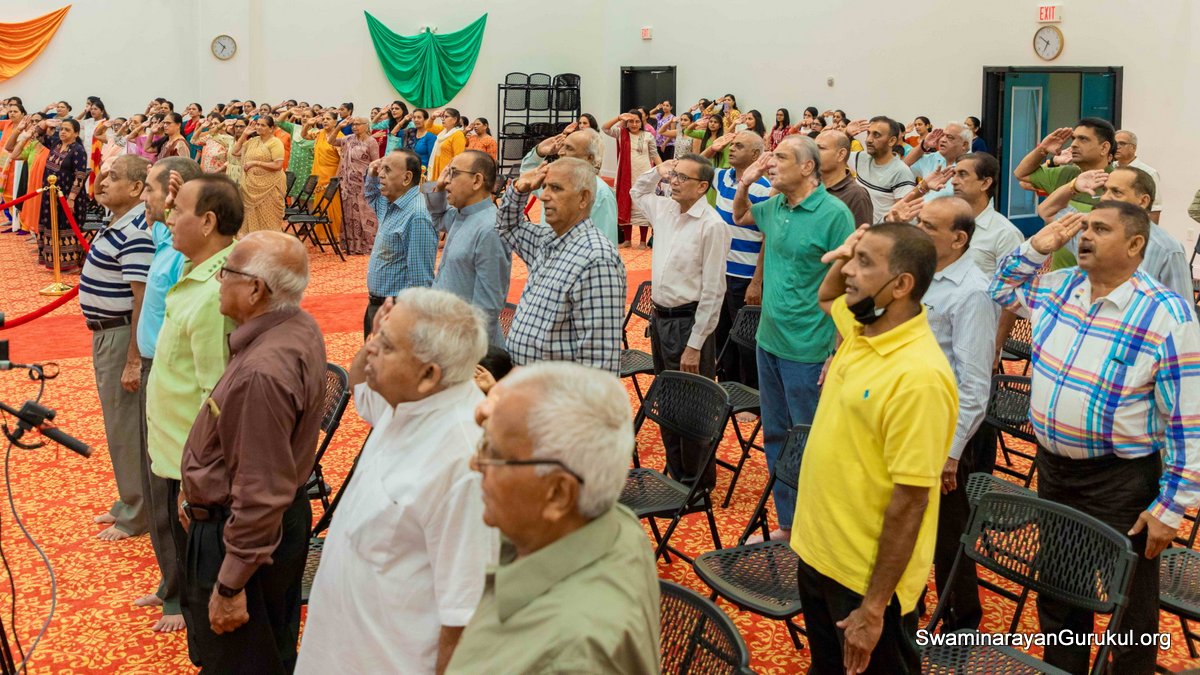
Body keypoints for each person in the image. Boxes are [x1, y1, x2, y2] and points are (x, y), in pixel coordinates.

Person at [990, 203, 1200, 673]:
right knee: (1061, 592)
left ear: (1135, 244)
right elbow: (999, 287)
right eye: (1083, 227)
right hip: (1055, 470)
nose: (1084, 236)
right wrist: (1035, 246)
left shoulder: (1167, 315)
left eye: (1100, 229)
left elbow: (1188, 420)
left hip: (1120, 481)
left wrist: (1171, 508)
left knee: (1130, 608)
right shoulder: (1059, 287)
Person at [298, 289, 498, 674]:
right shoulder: (406, 399)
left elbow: (466, 620)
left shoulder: (466, 463)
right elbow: (359, 386)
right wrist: (379, 335)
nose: (369, 348)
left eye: (386, 345)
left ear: (428, 374)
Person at [796, 221, 956, 674]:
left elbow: (911, 502)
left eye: (864, 263)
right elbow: (826, 296)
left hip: (864, 579)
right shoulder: (864, 328)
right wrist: (848, 252)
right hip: (820, 552)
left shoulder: (919, 377)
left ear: (901, 285)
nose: (849, 270)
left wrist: (873, 608)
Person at [446, 362, 660, 673]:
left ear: (558, 494)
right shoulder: (610, 523)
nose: (475, 464)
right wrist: (507, 410)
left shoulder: (568, 657)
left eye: (493, 454)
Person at [177, 231, 326, 673]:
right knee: (270, 653)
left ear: (256, 289)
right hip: (266, 526)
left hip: (244, 537)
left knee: (243, 662)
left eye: (226, 273)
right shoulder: (297, 325)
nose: (219, 281)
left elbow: (260, 489)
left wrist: (230, 584)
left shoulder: (262, 371)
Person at [733, 135, 856, 542]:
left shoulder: (834, 214)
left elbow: (848, 286)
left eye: (781, 157)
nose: (771, 163)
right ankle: (789, 524)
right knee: (775, 436)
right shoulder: (776, 206)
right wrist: (746, 182)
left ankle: (816, 528)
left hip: (809, 348)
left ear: (807, 167)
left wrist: (837, 350)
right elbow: (740, 215)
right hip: (770, 340)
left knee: (809, 441)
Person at [914, 197, 1000, 633]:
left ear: (958, 239)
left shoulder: (973, 291)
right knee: (908, 520)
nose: (918, 229)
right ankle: (911, 602)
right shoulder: (921, 273)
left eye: (929, 225)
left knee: (949, 534)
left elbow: (974, 383)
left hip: (950, 428)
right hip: (914, 418)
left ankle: (962, 622)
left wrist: (952, 451)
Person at [136, 156, 205, 633]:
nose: (145, 197)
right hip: (152, 370)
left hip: (174, 375)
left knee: (169, 490)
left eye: (151, 189)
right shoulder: (163, 238)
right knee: (155, 484)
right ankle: (169, 582)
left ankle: (181, 597)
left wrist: (181, 198)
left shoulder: (186, 251)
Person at [631, 155, 729, 488]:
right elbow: (636, 192)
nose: (673, 181)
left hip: (689, 324)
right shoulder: (665, 210)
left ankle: (696, 483)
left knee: (692, 406)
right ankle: (677, 475)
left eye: (682, 178)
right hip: (661, 320)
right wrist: (656, 170)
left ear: (702, 187)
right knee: (669, 400)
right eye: (673, 175)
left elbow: (714, 291)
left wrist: (695, 345)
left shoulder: (711, 225)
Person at [79, 154, 154, 544]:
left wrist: (132, 359)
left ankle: (138, 512)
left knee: (127, 427)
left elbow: (141, 299)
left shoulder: (137, 230)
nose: (103, 182)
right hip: (107, 332)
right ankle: (129, 500)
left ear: (137, 188)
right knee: (117, 423)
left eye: (113, 177)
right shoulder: (119, 220)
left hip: (122, 334)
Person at [497, 158, 626, 374]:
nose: (544, 196)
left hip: (556, 392)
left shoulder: (596, 259)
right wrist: (519, 189)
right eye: (545, 186)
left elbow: (600, 362)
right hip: (528, 385)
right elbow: (506, 227)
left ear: (583, 198)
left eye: (556, 188)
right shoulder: (548, 240)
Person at [1036, 166, 1193, 309]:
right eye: (1104, 190)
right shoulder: (1087, 230)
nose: (1105, 198)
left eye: (1116, 192)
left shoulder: (1167, 249)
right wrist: (1073, 186)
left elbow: (1182, 311)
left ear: (1143, 201)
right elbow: (1047, 210)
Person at [427, 150, 513, 346]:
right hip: (445, 334)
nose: (447, 180)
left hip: (466, 346)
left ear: (477, 181)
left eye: (454, 173)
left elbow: (487, 308)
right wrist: (438, 188)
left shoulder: (490, 228)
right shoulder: (461, 214)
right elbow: (437, 218)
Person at [711, 131, 771, 387]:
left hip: (745, 275)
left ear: (756, 155)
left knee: (746, 340)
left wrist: (756, 282)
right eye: (732, 145)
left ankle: (750, 393)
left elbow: (768, 238)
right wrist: (712, 149)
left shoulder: (764, 188)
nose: (731, 149)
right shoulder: (723, 177)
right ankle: (727, 386)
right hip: (720, 272)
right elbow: (691, 169)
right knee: (721, 334)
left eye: (739, 146)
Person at [1013, 117, 1116, 268]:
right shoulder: (1066, 174)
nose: (1073, 144)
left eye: (1083, 139)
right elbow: (1020, 174)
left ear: (1104, 148)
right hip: (1060, 278)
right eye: (1073, 139)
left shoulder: (1119, 183)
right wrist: (1043, 149)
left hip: (1098, 277)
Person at [362, 149, 437, 338]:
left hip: (397, 311)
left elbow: (420, 281)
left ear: (406, 178)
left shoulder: (417, 215)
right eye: (381, 168)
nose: (380, 174)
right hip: (379, 305)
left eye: (387, 170)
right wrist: (371, 174)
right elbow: (371, 196)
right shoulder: (390, 203)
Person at [519, 125, 618, 245]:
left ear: (589, 157)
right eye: (562, 146)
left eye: (569, 148)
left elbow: (606, 243)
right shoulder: (553, 180)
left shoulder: (601, 193)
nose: (560, 152)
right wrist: (539, 152)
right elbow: (528, 177)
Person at [36, 118, 89, 270]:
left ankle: (70, 265)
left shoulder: (78, 150)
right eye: (61, 129)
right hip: (50, 195)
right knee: (50, 223)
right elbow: (38, 135)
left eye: (67, 130)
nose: (63, 132)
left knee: (65, 225)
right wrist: (45, 124)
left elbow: (80, 176)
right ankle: (53, 261)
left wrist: (71, 199)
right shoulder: (56, 144)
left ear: (76, 133)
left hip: (67, 196)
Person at [845, 116, 917, 222]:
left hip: (880, 230)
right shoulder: (862, 158)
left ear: (892, 141)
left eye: (876, 135)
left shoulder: (901, 172)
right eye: (868, 133)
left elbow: (901, 217)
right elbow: (834, 155)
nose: (868, 140)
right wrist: (846, 134)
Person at [605, 110, 660, 248]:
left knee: (642, 206)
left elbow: (654, 155)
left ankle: (642, 241)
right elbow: (605, 128)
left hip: (644, 176)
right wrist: (618, 118)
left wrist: (662, 171)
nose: (634, 124)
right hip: (625, 176)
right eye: (631, 121)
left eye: (637, 121)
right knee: (626, 205)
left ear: (642, 122)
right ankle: (627, 240)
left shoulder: (648, 136)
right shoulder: (621, 133)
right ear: (626, 122)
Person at [332, 117, 380, 254]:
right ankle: (352, 245)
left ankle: (367, 245)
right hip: (348, 185)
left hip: (364, 183)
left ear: (366, 126)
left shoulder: (371, 141)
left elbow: (376, 163)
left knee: (365, 214)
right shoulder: (348, 139)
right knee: (349, 214)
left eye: (358, 124)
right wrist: (338, 127)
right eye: (353, 124)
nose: (354, 127)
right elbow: (331, 141)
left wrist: (372, 182)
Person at [232, 116, 286, 235]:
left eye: (263, 125)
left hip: (270, 188)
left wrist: (255, 163)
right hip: (251, 188)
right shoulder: (253, 141)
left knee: (269, 222)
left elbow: (278, 165)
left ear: (271, 128)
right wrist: (244, 135)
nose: (259, 127)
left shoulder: (275, 142)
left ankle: (269, 243)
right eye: (257, 124)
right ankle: (252, 241)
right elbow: (235, 152)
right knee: (249, 217)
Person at [816, 130, 873, 227]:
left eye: (821, 148)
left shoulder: (856, 195)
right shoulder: (812, 185)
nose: (814, 153)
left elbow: (861, 234)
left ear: (841, 154)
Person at [904, 122, 971, 201]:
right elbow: (905, 165)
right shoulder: (935, 157)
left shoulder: (972, 165)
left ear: (964, 145)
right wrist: (924, 145)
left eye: (949, 137)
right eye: (943, 135)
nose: (942, 140)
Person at [1113, 130, 1163, 222]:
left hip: (1135, 222)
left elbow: (1155, 208)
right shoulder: (1110, 168)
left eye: (1122, 143)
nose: (1117, 147)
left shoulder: (1148, 172)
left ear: (1133, 148)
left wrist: (1150, 230)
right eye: (1115, 143)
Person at [310, 112, 344, 243]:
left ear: (335, 122)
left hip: (331, 176)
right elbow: (303, 135)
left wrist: (336, 177)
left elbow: (342, 159)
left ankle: (334, 235)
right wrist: (307, 124)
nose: (325, 121)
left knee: (332, 205)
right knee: (320, 204)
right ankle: (321, 234)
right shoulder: (320, 134)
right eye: (323, 119)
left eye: (328, 119)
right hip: (319, 174)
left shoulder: (339, 137)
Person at [426, 108, 467, 182]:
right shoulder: (443, 130)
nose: (443, 119)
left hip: (447, 173)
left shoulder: (458, 135)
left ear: (454, 119)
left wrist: (451, 175)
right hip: (436, 168)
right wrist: (432, 117)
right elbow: (428, 128)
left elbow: (458, 157)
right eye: (442, 117)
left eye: (446, 116)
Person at [403, 108, 437, 173]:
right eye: (414, 117)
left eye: (419, 117)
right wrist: (404, 120)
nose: (416, 120)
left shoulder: (431, 137)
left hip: (423, 172)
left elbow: (432, 159)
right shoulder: (411, 132)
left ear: (426, 120)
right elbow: (393, 133)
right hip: (409, 169)